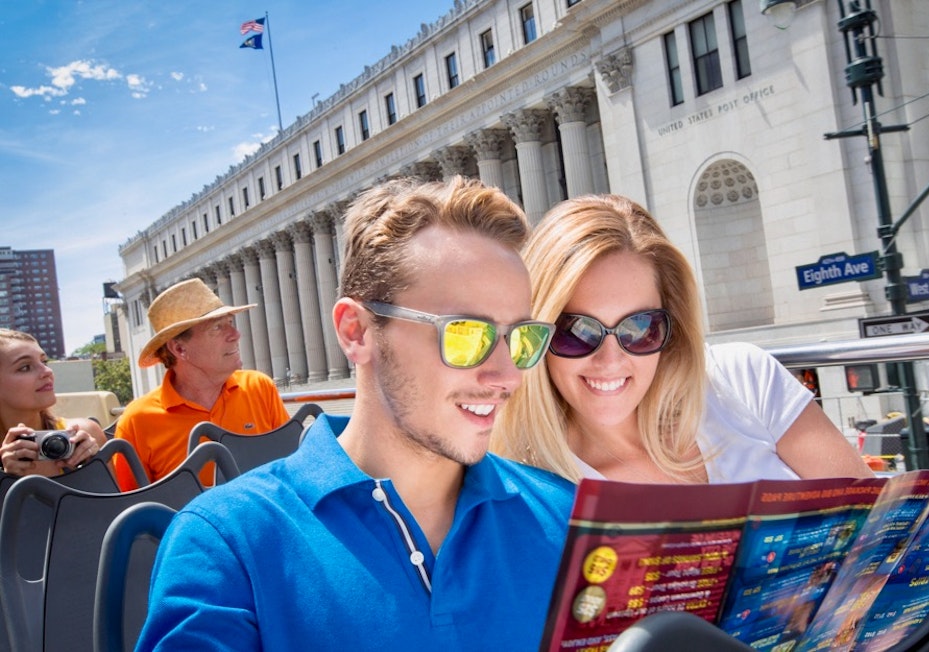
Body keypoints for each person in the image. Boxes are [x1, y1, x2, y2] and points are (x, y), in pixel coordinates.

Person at [137, 176, 576, 650]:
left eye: (523, 338)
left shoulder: (569, 517)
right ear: (356, 331)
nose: (506, 375)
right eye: (465, 334)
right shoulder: (227, 545)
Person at [493, 194, 873, 484]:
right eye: (576, 332)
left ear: (671, 325)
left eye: (639, 329)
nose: (610, 360)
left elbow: (875, 529)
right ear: (537, 335)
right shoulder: (527, 482)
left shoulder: (743, 379)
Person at [113, 278, 289, 489]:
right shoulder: (137, 421)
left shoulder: (259, 388)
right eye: (217, 327)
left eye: (230, 323)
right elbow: (133, 512)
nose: (235, 334)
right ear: (179, 349)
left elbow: (292, 467)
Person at [0, 329, 106, 477]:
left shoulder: (83, 434)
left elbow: (118, 500)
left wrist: (93, 466)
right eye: (25, 367)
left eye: (44, 361)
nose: (47, 371)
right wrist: (6, 478)